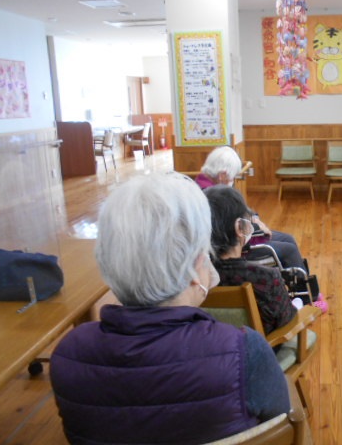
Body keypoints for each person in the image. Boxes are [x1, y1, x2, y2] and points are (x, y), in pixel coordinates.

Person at [50, 172, 290, 444]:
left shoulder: (69, 355)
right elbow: (280, 423)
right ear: (194, 267)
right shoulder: (243, 350)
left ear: (108, 259)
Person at [205, 184, 298, 334]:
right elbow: (288, 319)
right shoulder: (266, 277)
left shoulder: (196, 279)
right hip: (262, 350)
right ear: (239, 228)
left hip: (214, 348)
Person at [195, 145, 306, 271]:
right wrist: (259, 230)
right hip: (234, 247)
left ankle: (305, 286)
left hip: (243, 235)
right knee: (289, 251)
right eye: (233, 177)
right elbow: (231, 230)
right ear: (222, 175)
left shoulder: (211, 186)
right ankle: (305, 288)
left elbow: (242, 210)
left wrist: (254, 218)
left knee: (288, 238)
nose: (233, 181)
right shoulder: (213, 195)